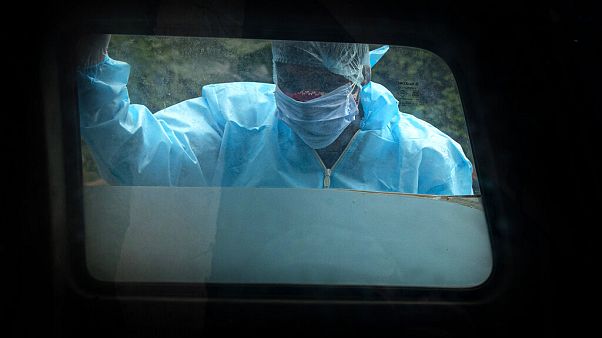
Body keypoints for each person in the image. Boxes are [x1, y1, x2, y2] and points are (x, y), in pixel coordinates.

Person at [76, 35, 473, 195]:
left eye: (321, 78)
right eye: (291, 75)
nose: (304, 94)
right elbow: (138, 159)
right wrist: (91, 69)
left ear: (360, 74)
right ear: (275, 70)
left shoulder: (426, 157)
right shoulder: (233, 123)